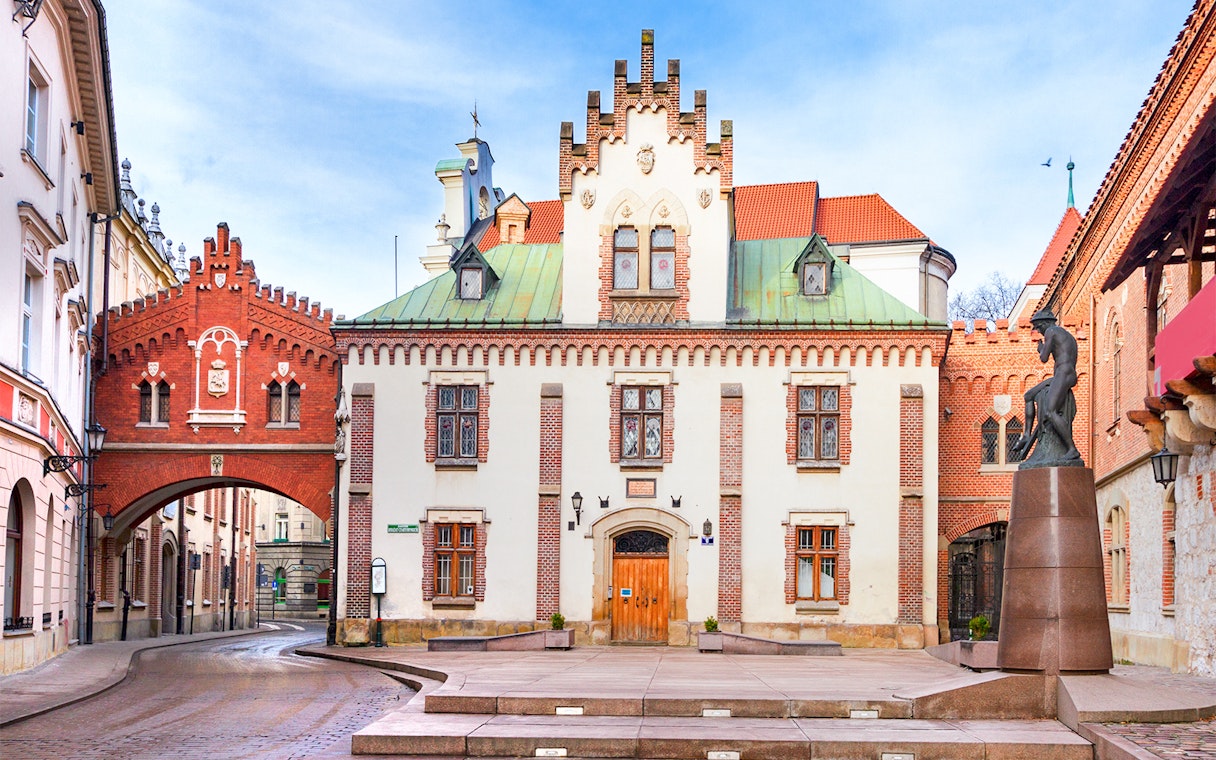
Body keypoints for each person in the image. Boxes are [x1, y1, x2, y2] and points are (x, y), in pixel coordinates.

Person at [1012, 308, 1081, 463]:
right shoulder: (1067, 336)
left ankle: (1072, 449)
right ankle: (1027, 435)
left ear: (1044, 324)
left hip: (1064, 374)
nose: (1039, 332)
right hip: (1063, 375)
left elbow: (1044, 358)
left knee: (1050, 411)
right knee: (1029, 395)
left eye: (1038, 328)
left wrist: (1041, 348)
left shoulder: (1051, 331)